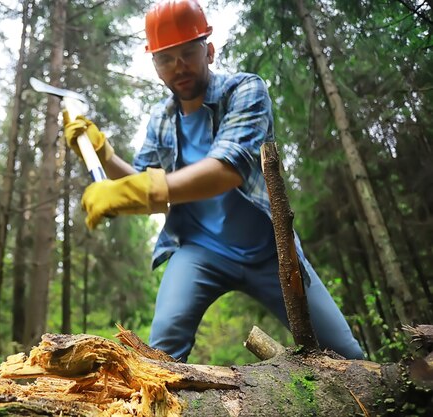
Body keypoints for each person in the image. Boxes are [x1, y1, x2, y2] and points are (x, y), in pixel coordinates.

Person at [63, 0, 364, 362]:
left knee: (346, 355)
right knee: (161, 356)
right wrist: (104, 155)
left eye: (188, 52)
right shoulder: (161, 118)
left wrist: (141, 189)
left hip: (270, 252)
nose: (179, 66)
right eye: (165, 58)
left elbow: (227, 169)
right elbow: (142, 181)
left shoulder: (246, 91)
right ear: (155, 66)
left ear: (209, 50)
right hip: (198, 251)